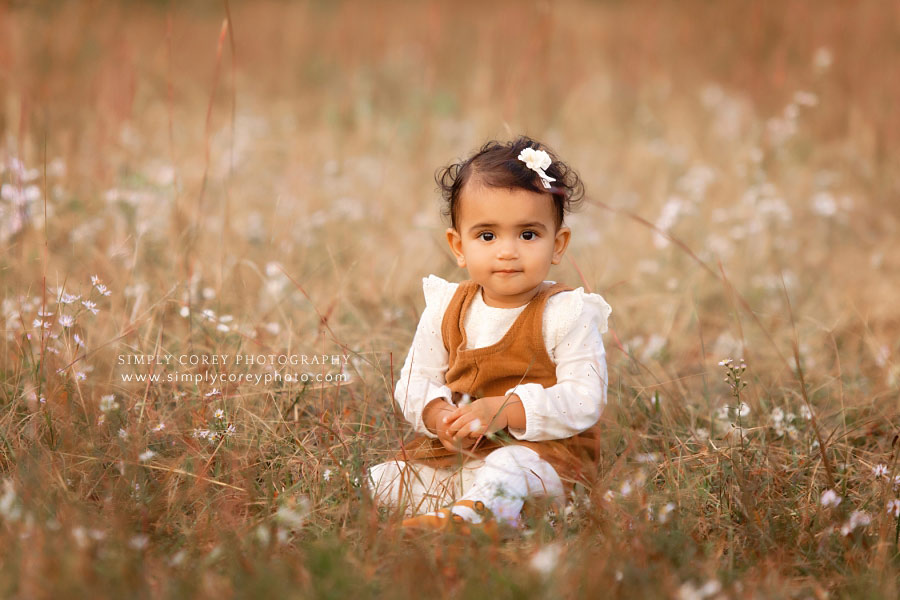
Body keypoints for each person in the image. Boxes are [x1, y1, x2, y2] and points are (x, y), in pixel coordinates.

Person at [366, 136, 611, 536]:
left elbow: (585, 399)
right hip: (462, 456)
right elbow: (414, 380)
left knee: (508, 469)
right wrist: (437, 415)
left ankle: (484, 517)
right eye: (487, 236)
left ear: (558, 244)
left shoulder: (565, 313)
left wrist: (507, 409)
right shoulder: (446, 307)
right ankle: (474, 508)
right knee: (383, 480)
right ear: (458, 246)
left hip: (541, 459)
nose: (507, 251)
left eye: (528, 235)